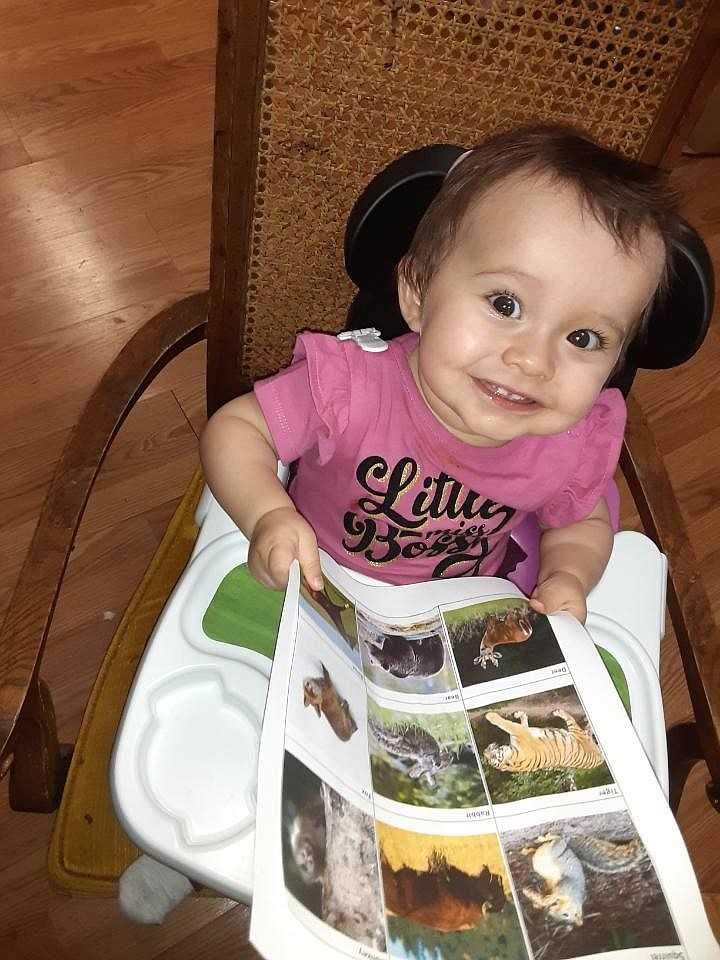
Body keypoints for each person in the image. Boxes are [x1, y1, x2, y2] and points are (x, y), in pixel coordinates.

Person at [200, 123, 682, 625]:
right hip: (310, 578)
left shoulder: (568, 446)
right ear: (417, 295)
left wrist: (568, 576)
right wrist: (267, 515)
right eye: (505, 304)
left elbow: (581, 520)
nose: (533, 361)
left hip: (459, 619)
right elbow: (238, 429)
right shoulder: (348, 388)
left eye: (583, 338)